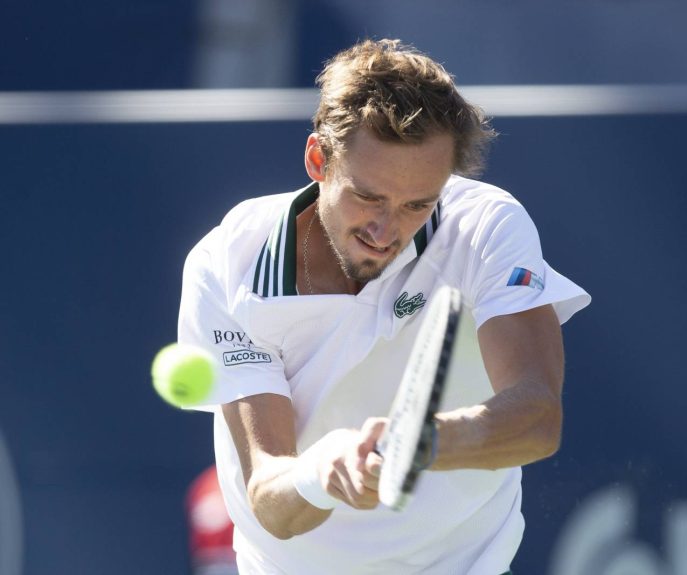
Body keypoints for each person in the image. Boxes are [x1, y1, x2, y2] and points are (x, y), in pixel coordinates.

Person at [178, 38, 590, 575]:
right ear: (317, 159)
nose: (384, 230)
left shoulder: (486, 226)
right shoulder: (228, 260)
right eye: (368, 197)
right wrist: (322, 472)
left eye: (417, 204)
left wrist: (422, 441)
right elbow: (272, 502)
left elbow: (537, 419)